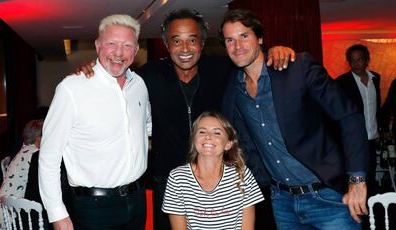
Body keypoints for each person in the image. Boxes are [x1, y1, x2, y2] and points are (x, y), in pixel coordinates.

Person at [76, 9, 295, 230]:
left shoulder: (222, 70)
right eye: (176, 41)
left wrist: (272, 51)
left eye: (192, 40)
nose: (185, 49)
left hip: (221, 183)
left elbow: (250, 60)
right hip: (168, 185)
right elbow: (116, 78)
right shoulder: (149, 76)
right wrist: (92, 70)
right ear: (166, 44)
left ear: (202, 42)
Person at [220, 9, 369, 229]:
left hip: (328, 196)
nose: (237, 46)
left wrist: (357, 179)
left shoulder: (297, 67)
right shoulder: (234, 88)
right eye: (229, 40)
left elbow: (349, 116)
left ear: (260, 38)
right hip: (282, 202)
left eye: (244, 36)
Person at [39, 14, 151, 230]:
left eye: (127, 45)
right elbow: (49, 157)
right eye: (111, 44)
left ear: (136, 51)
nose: (118, 52)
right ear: (98, 46)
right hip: (93, 209)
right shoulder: (71, 89)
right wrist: (57, 215)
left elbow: (146, 125)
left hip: (137, 200)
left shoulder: (139, 85)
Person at [162, 111, 264, 229]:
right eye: (202, 131)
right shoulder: (178, 178)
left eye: (217, 132)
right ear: (194, 140)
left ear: (228, 144)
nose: (208, 136)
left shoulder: (242, 174)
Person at [336, 44, 381, 195]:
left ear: (366, 60)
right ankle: (354, 208)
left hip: (372, 138)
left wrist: (380, 129)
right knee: (354, 177)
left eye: (359, 60)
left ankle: (371, 210)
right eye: (352, 60)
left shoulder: (376, 79)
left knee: (371, 176)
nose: (356, 64)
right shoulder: (341, 82)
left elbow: (376, 108)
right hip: (352, 139)